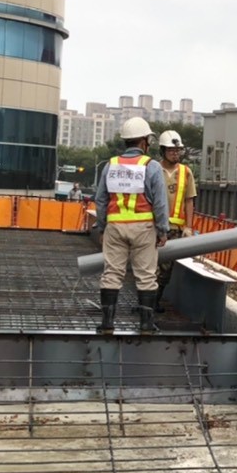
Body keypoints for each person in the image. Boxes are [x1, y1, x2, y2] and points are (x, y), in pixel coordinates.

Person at [92, 117, 170, 333]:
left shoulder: (111, 165)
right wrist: (162, 230)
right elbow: (160, 202)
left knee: (112, 273)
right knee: (146, 276)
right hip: (143, 228)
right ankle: (146, 324)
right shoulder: (151, 166)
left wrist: (102, 227)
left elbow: (100, 200)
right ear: (144, 141)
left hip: (115, 227)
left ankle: (107, 323)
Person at [156, 129, 197, 300]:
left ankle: (154, 301)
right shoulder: (153, 169)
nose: (175, 153)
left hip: (174, 229)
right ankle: (146, 303)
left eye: (178, 150)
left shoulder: (185, 172)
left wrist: (188, 227)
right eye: (171, 150)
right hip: (152, 226)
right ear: (163, 151)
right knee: (147, 267)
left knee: (165, 269)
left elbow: (189, 200)